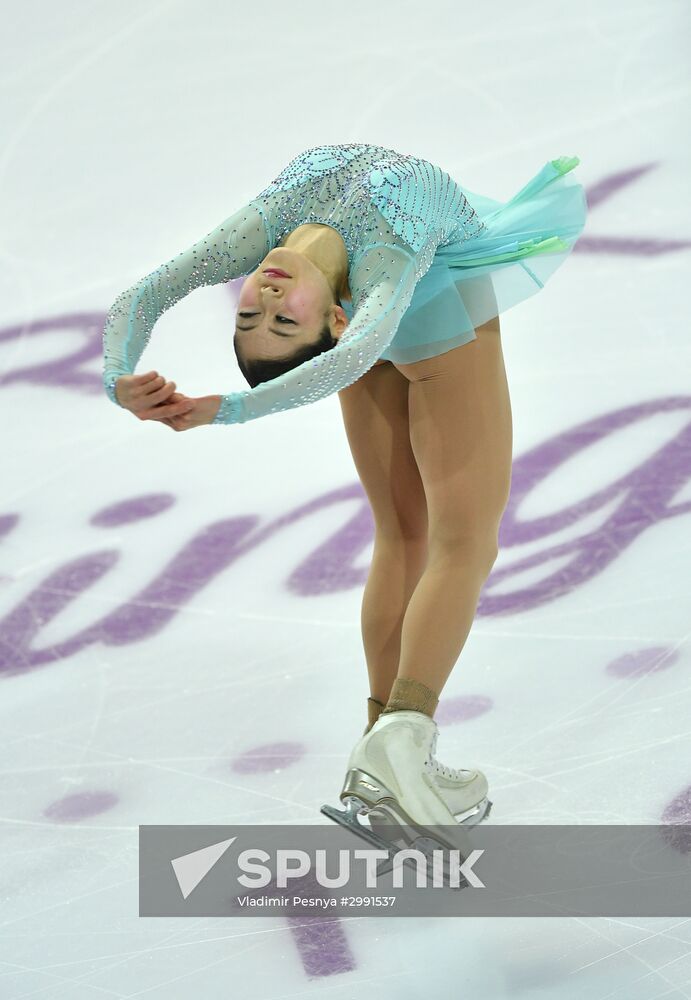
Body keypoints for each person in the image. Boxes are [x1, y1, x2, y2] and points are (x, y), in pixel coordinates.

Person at [102, 142, 587, 850]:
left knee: (405, 534)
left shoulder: (265, 231)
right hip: (429, 309)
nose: (264, 303)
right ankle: (403, 736)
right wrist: (187, 398)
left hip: (384, 315)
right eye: (281, 323)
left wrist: (128, 378)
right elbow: (357, 350)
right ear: (333, 319)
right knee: (463, 540)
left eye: (251, 319)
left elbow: (144, 294)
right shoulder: (381, 261)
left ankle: (381, 755)